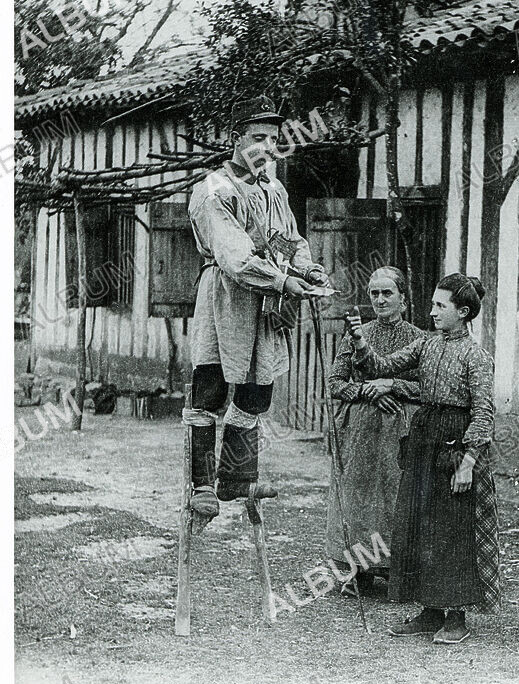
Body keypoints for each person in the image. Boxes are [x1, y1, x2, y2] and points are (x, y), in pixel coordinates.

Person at [187, 96, 328, 520]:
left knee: (257, 389)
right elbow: (235, 256)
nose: (267, 146)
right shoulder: (214, 189)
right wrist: (283, 281)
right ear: (236, 139)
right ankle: (202, 484)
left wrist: (308, 269)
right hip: (227, 295)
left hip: (266, 300)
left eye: (273, 139)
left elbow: (291, 240)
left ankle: (235, 477)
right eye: (258, 137)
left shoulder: (273, 189)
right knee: (211, 387)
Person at [344, 273, 499, 643]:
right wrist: (360, 340)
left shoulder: (476, 357)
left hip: (455, 444)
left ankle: (456, 617)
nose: (432, 312)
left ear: (463, 312)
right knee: (420, 524)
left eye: (440, 306)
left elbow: (483, 414)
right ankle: (430, 612)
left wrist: (467, 462)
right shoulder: (426, 345)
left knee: (451, 531)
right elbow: (381, 367)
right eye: (432, 304)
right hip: (424, 437)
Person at [326, 268, 424, 596]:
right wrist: (367, 391)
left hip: (400, 429)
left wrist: (393, 387)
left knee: (396, 496)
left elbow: (429, 387)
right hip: (360, 430)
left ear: (403, 299)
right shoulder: (357, 335)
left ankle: (398, 570)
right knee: (358, 497)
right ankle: (359, 572)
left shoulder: (419, 339)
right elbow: (335, 382)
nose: (380, 300)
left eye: (387, 293)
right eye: (374, 293)